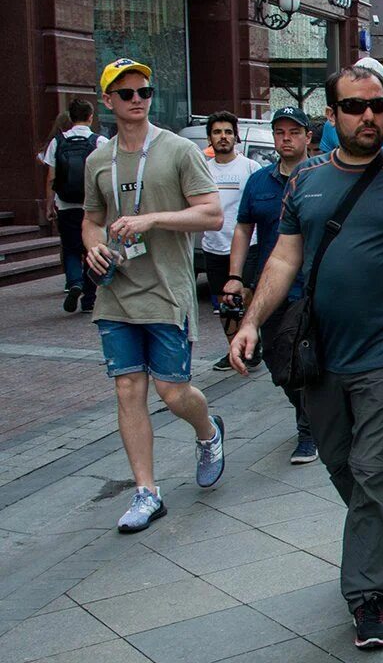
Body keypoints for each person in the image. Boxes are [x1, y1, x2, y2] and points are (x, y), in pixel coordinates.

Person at [231, 64, 383, 651]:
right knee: (341, 462)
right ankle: (380, 523)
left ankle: (366, 595)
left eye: (377, 106)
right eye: (355, 107)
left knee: (375, 469)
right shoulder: (306, 179)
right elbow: (284, 259)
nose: (369, 117)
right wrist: (250, 322)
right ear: (332, 116)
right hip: (319, 353)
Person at [82, 58, 226, 533]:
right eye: (126, 94)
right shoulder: (97, 160)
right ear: (108, 102)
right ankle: (147, 491)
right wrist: (94, 248)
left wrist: (152, 219)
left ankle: (207, 432)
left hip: (167, 290)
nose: (138, 100)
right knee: (128, 389)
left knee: (172, 391)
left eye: (144, 91)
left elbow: (211, 215)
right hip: (116, 294)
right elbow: (91, 218)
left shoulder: (178, 150)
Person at [226, 106, 317, 465]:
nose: (286, 138)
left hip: (316, 286)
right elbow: (243, 228)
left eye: (294, 131)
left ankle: (309, 428)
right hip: (275, 289)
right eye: (280, 132)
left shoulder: (322, 175)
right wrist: (235, 278)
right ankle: (310, 415)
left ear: (308, 136)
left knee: (311, 360)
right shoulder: (259, 182)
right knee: (282, 365)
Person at [200, 111, 262, 371]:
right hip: (213, 247)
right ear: (210, 138)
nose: (223, 137)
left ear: (235, 135)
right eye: (217, 132)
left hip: (248, 247)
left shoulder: (250, 168)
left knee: (244, 299)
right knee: (224, 306)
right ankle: (234, 350)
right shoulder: (201, 169)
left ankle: (252, 342)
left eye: (227, 132)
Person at [40, 98, 106, 313]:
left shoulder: (58, 142)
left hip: (66, 205)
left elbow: (51, 177)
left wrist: (49, 204)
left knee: (70, 249)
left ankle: (74, 282)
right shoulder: (100, 142)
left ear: (71, 116)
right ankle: (89, 300)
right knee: (91, 250)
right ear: (90, 116)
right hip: (92, 207)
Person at [317, 58, 383, 160]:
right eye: (354, 105)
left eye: (378, 104)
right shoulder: (307, 173)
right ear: (332, 116)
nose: (369, 116)